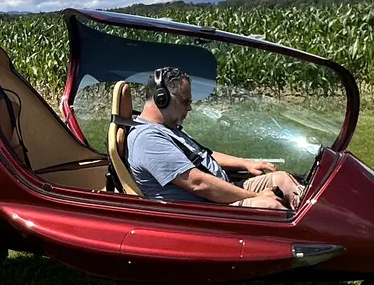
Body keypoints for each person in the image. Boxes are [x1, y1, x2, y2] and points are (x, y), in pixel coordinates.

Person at [126, 66, 304, 210]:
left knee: (281, 180)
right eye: (185, 102)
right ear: (161, 99)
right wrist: (257, 196)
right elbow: (198, 183)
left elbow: (202, 155)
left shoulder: (168, 128)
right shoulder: (147, 139)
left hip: (220, 196)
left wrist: (246, 163)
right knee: (269, 206)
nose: (189, 108)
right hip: (207, 212)